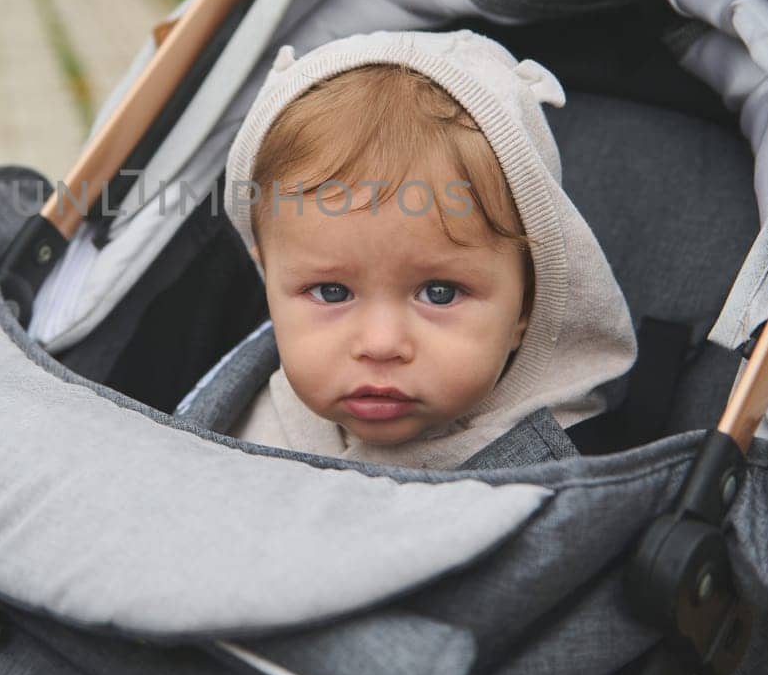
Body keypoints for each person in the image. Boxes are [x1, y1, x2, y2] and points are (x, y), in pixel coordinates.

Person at [223, 30, 637, 469]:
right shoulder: (240, 413)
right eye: (331, 292)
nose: (381, 345)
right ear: (269, 278)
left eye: (440, 293)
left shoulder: (558, 476)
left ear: (527, 306)